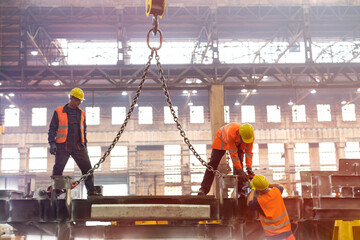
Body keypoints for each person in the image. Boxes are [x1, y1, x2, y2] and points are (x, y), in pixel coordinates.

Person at [48, 88, 97, 196]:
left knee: (87, 169)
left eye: (81, 100)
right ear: (71, 98)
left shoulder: (81, 113)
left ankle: (91, 191)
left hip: (78, 146)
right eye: (78, 100)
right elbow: (52, 129)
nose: (79, 102)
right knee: (58, 169)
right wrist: (52, 143)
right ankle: (56, 191)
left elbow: (84, 131)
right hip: (63, 146)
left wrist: (85, 145)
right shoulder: (59, 111)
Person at [198, 123, 255, 195]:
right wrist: (240, 171)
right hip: (221, 140)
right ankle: (203, 189)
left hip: (238, 142)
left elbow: (249, 153)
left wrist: (249, 167)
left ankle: (240, 191)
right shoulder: (231, 133)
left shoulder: (250, 136)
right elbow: (233, 155)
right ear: (240, 134)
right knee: (213, 164)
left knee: (239, 164)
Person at [247, 175, 295, 240]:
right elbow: (280, 185)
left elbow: (249, 203)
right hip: (288, 234)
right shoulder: (277, 191)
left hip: (274, 236)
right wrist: (266, 185)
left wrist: (252, 190)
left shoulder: (260, 202)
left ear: (257, 189)